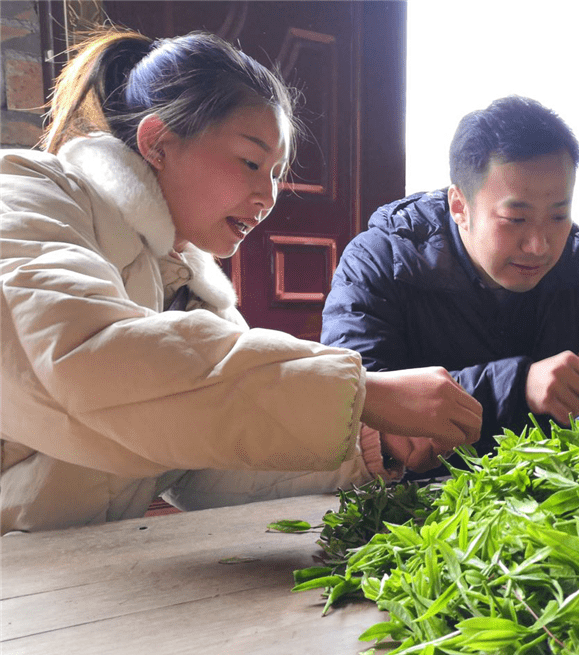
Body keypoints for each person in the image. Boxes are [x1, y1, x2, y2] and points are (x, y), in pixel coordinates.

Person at [0, 29, 482, 533]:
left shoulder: (197, 299)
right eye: (251, 162)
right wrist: (361, 392)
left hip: (60, 581)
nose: (266, 196)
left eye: (275, 174)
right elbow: (80, 361)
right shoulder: (27, 194)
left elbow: (211, 465)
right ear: (158, 141)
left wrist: (370, 442)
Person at [321, 95, 579, 473]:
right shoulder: (380, 261)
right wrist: (518, 385)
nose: (539, 245)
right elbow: (352, 407)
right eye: (515, 220)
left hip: (547, 495)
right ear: (459, 207)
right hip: (422, 502)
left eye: (558, 216)